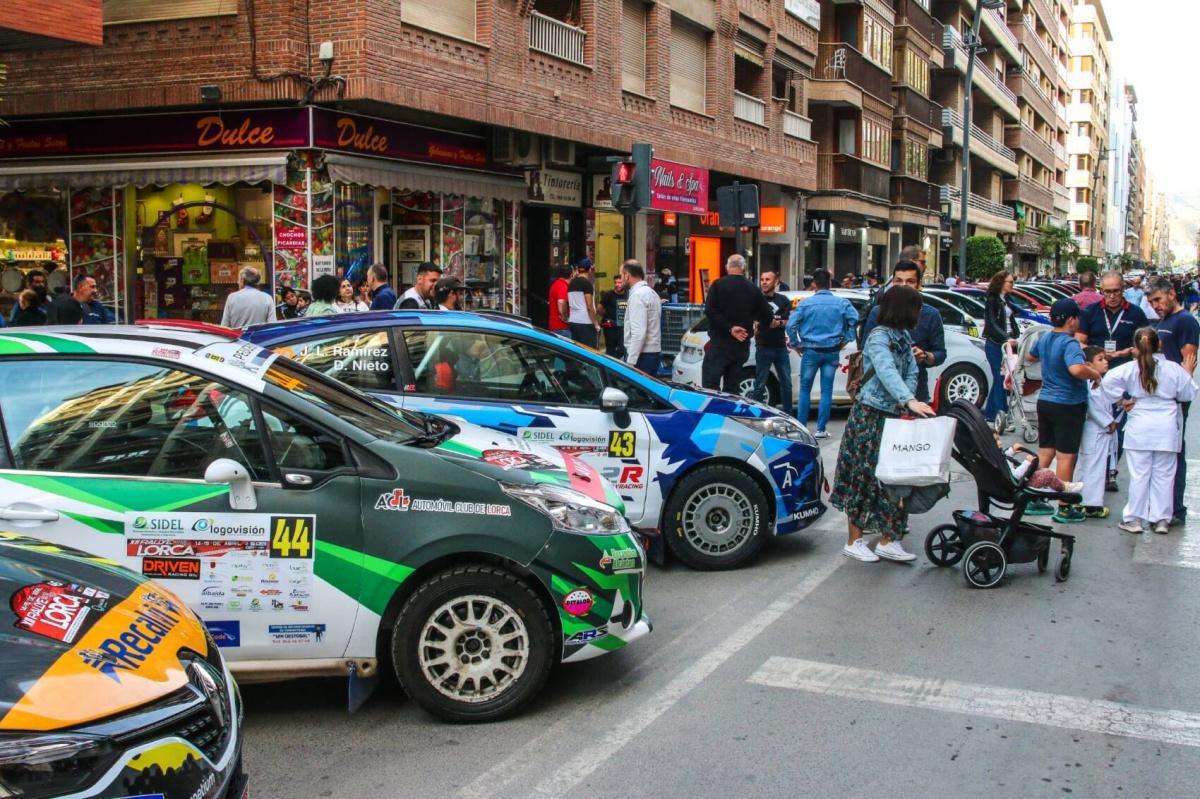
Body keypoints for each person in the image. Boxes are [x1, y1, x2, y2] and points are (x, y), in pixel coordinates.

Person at [830, 285, 935, 563]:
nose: (920, 313)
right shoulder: (878, 337)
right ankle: (854, 540)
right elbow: (887, 371)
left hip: (892, 416)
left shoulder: (902, 336)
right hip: (870, 415)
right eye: (917, 307)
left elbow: (911, 370)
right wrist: (908, 400)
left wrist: (906, 400)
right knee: (861, 478)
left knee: (895, 479)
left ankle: (889, 539)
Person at [1103, 327, 1198, 534]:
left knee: (1139, 475)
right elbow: (1187, 394)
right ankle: (1161, 519)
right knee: (1164, 475)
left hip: (1140, 425)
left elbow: (1106, 384)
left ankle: (1134, 519)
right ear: (1160, 345)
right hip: (1166, 426)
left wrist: (1123, 401)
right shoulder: (1173, 368)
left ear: (1136, 347)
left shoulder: (1129, 368)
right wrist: (1188, 372)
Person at [1027, 298, 1102, 523]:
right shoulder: (1070, 344)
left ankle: (1035, 497)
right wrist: (1095, 374)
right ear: (1071, 320)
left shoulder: (1046, 337)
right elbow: (1076, 368)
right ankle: (1064, 505)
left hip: (1046, 401)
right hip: (1068, 405)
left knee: (1045, 453)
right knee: (1066, 456)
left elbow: (1031, 356)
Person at [1146, 276, 1199, 527]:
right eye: (1151, 302)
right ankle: (1161, 505)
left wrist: (1181, 390)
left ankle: (1176, 508)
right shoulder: (1164, 321)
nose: (1155, 305)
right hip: (1158, 397)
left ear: (1171, 294)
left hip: (1175, 399)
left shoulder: (1186, 321)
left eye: (1158, 299)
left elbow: (1188, 361)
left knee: (1175, 452)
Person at [861, 261, 946, 405]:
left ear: (919, 285)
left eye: (910, 281)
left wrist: (925, 356)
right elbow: (871, 354)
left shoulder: (931, 315)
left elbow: (940, 354)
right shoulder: (878, 313)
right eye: (899, 281)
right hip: (879, 397)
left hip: (916, 391)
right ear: (892, 283)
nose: (903, 286)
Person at [786, 269, 857, 438]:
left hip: (810, 350)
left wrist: (797, 344)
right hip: (832, 350)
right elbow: (854, 320)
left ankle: (802, 428)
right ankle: (821, 429)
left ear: (814, 285)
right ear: (830, 283)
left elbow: (790, 326)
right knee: (827, 390)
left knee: (805, 389)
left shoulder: (805, 304)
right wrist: (845, 339)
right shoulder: (842, 303)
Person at [702, 254, 773, 393]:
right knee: (733, 389)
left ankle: (714, 413)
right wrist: (757, 325)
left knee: (710, 386)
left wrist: (730, 328)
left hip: (719, 344)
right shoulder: (753, 289)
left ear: (727, 267)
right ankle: (729, 413)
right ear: (744, 268)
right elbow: (768, 316)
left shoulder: (718, 285)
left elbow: (710, 311)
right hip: (741, 346)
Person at [1076, 346, 1115, 519]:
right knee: (1094, 467)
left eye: (1105, 358)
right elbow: (1092, 406)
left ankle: (1082, 500)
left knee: (1089, 465)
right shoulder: (1089, 383)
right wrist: (1108, 423)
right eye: (1100, 359)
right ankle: (1091, 504)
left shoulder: (1100, 382)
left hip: (1098, 430)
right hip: (1095, 429)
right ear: (1088, 364)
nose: (1105, 361)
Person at [751, 269, 793, 412]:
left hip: (780, 347)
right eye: (762, 279)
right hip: (763, 346)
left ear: (776, 282)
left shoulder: (783, 300)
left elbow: (790, 320)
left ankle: (788, 416)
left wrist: (779, 323)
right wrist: (755, 324)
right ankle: (757, 414)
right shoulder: (756, 300)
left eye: (768, 279)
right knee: (760, 384)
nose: (764, 282)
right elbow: (750, 318)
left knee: (786, 383)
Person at [982, 271, 1020, 423]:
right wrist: (1006, 337)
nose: (1012, 285)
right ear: (1001, 283)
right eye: (1009, 282)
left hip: (1006, 344)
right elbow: (991, 323)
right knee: (999, 378)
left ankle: (991, 414)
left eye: (1012, 282)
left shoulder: (1006, 299)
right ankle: (1002, 414)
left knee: (1002, 378)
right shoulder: (992, 300)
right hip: (995, 344)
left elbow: (1010, 320)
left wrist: (1015, 334)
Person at [621, 260, 662, 374]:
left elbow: (639, 333)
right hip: (652, 353)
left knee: (637, 391)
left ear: (627, 275)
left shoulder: (638, 296)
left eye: (621, 275)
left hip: (641, 356)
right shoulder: (652, 293)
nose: (621, 279)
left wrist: (630, 362)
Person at [565, 259, 600, 347]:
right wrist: (596, 324)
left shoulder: (571, 284)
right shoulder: (587, 284)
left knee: (577, 351)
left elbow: (567, 302)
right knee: (589, 351)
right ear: (590, 269)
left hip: (573, 321)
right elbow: (589, 307)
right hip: (585, 323)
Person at [599, 274, 628, 359]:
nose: (617, 285)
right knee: (610, 350)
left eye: (619, 282)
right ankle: (610, 366)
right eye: (615, 282)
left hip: (622, 326)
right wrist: (607, 315)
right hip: (610, 327)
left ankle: (614, 363)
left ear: (624, 283)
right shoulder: (608, 295)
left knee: (622, 350)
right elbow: (599, 309)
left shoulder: (628, 294)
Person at [547, 264, 571, 334]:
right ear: (571, 275)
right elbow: (561, 302)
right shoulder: (562, 286)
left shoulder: (557, 284)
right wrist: (565, 318)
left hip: (557, 326)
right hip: (561, 327)